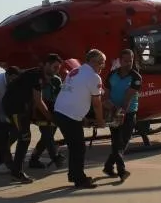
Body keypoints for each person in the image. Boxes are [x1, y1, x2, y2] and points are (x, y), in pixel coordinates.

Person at [1, 53, 63, 183]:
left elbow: (35, 101)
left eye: (58, 68)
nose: (57, 70)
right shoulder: (36, 76)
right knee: (24, 138)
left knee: (22, 136)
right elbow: (38, 101)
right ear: (46, 65)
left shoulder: (41, 76)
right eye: (54, 67)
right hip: (15, 108)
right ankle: (16, 172)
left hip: (23, 107)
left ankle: (11, 164)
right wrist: (51, 118)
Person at [53, 49, 107, 189]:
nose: (103, 66)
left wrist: (82, 118)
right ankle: (79, 179)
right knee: (78, 148)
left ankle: (74, 175)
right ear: (93, 62)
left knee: (74, 146)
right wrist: (100, 121)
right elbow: (96, 103)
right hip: (69, 115)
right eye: (102, 63)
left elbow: (76, 94)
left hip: (60, 112)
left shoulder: (75, 71)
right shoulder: (94, 77)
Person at [102, 48, 141, 181]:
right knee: (116, 141)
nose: (128, 63)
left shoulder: (136, 77)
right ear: (120, 61)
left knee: (122, 142)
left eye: (130, 60)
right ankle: (121, 171)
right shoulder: (112, 74)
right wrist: (108, 106)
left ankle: (108, 166)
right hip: (113, 112)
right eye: (125, 61)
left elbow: (128, 98)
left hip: (128, 112)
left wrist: (121, 111)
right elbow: (106, 94)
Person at [28, 71, 65, 171]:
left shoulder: (56, 80)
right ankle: (55, 157)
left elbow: (60, 96)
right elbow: (37, 100)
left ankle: (34, 159)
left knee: (46, 137)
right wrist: (34, 114)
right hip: (42, 110)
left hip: (54, 109)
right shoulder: (39, 81)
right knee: (47, 135)